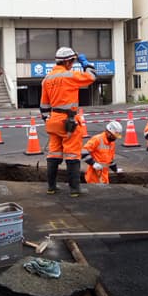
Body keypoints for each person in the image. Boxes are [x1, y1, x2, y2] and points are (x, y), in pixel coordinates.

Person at [40, 47, 96, 196]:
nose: (72, 64)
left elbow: (44, 105)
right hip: (69, 121)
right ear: (66, 61)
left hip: (53, 120)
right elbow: (91, 76)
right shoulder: (70, 76)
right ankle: (74, 190)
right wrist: (85, 63)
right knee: (72, 155)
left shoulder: (47, 79)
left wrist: (48, 120)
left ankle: (51, 187)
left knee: (54, 154)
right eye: (72, 61)